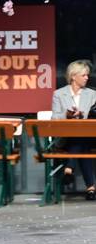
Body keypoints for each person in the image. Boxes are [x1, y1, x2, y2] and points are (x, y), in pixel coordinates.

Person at [51, 59, 96, 200]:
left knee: (82, 138)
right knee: (83, 146)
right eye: (84, 75)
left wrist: (82, 115)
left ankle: (69, 168)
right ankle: (91, 188)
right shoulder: (59, 94)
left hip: (89, 136)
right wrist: (66, 115)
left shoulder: (92, 94)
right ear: (73, 76)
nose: (87, 78)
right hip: (67, 139)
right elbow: (54, 118)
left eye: (87, 75)